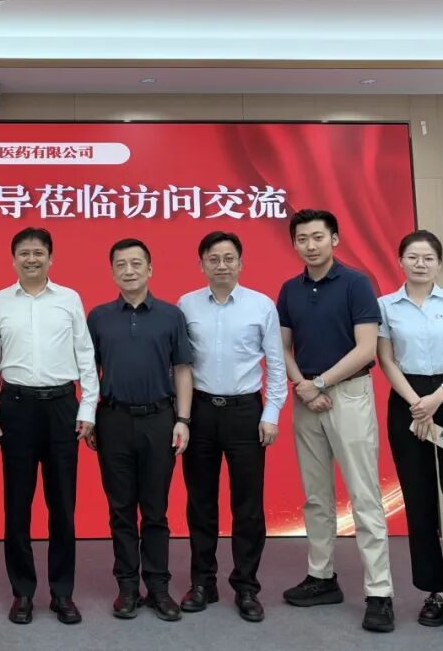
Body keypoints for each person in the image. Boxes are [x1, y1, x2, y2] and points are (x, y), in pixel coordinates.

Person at [276, 208, 395, 632]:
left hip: (348, 394)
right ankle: (322, 576)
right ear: (294, 243)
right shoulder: (289, 289)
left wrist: (320, 383)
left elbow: (366, 349)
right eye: (302, 238)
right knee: (316, 496)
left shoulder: (356, 283)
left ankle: (379, 592)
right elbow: (282, 348)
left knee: (364, 495)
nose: (310, 245)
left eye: (318, 237)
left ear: (334, 239)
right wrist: (304, 386)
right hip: (306, 397)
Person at [0, 227, 98, 625]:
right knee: (17, 505)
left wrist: (88, 408)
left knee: (62, 504)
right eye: (24, 253)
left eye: (38, 253)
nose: (31, 259)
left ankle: (62, 592)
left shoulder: (69, 299)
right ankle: (23, 592)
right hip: (16, 407)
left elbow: (85, 354)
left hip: (62, 407)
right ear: (13, 259)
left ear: (51, 258)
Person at [377, 230, 443, 639]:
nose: (420, 264)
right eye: (413, 257)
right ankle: (433, 593)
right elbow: (386, 359)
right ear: (400, 261)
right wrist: (416, 403)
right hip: (407, 401)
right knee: (419, 502)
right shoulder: (385, 306)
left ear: (439, 263)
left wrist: (437, 398)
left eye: (428, 258)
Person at [177, 231, 287, 623]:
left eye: (228, 258)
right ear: (201, 264)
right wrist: (181, 417)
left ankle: (246, 587)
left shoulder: (261, 305)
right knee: (200, 503)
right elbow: (179, 366)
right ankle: (202, 583)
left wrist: (271, 413)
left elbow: (275, 364)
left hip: (245, 413)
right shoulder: (186, 305)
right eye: (213, 259)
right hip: (201, 411)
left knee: (248, 506)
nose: (221, 265)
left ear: (241, 263)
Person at [87, 238, 193, 623]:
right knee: (120, 509)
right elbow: (89, 371)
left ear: (150, 269)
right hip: (112, 419)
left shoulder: (171, 316)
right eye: (121, 264)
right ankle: (127, 587)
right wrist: (89, 416)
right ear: (112, 271)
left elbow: (183, 369)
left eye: (136, 263)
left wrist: (183, 420)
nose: (129, 270)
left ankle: (159, 587)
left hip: (159, 420)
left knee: (155, 509)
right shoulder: (99, 317)